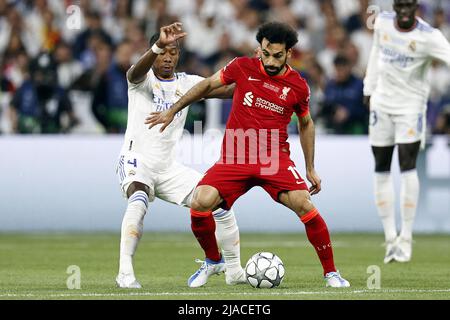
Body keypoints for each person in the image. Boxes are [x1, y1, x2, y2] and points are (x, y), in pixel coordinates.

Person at [146, 22, 350, 288]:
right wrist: (173, 109)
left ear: (289, 53)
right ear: (260, 49)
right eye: (266, 53)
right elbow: (208, 85)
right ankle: (213, 260)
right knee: (200, 201)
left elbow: (306, 123)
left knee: (304, 203)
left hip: (272, 159)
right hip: (235, 158)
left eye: (278, 55)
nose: (270, 60)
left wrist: (310, 167)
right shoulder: (242, 66)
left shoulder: (298, 86)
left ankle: (331, 273)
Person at [116, 22, 244, 288]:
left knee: (218, 201)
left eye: (172, 52)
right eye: (163, 52)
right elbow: (134, 71)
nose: (167, 57)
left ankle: (233, 269)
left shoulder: (188, 83)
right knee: (138, 201)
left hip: (168, 168)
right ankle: (125, 272)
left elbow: (229, 90)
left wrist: (257, 78)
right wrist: (156, 46)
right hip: (136, 161)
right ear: (155, 52)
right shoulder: (141, 81)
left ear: (178, 56)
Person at [363, 0, 450, 263]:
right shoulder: (383, 23)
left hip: (411, 108)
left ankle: (407, 238)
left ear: (416, 7)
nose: (403, 9)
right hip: (381, 104)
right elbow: (376, 54)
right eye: (399, 4)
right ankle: (390, 238)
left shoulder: (429, 37)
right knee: (380, 166)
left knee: (407, 165)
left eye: (408, 5)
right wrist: (369, 88)